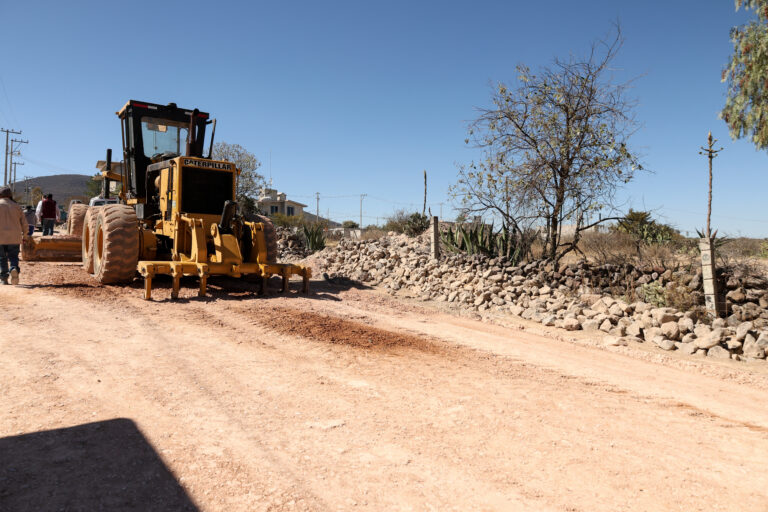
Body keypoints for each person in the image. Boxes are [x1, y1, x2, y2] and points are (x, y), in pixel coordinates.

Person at [0, 186, 28, 285]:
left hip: (1, 237)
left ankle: (4, 278)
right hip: (15, 237)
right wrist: (25, 236)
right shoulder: (17, 206)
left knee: (2, 258)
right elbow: (24, 223)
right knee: (13, 257)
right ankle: (13, 268)